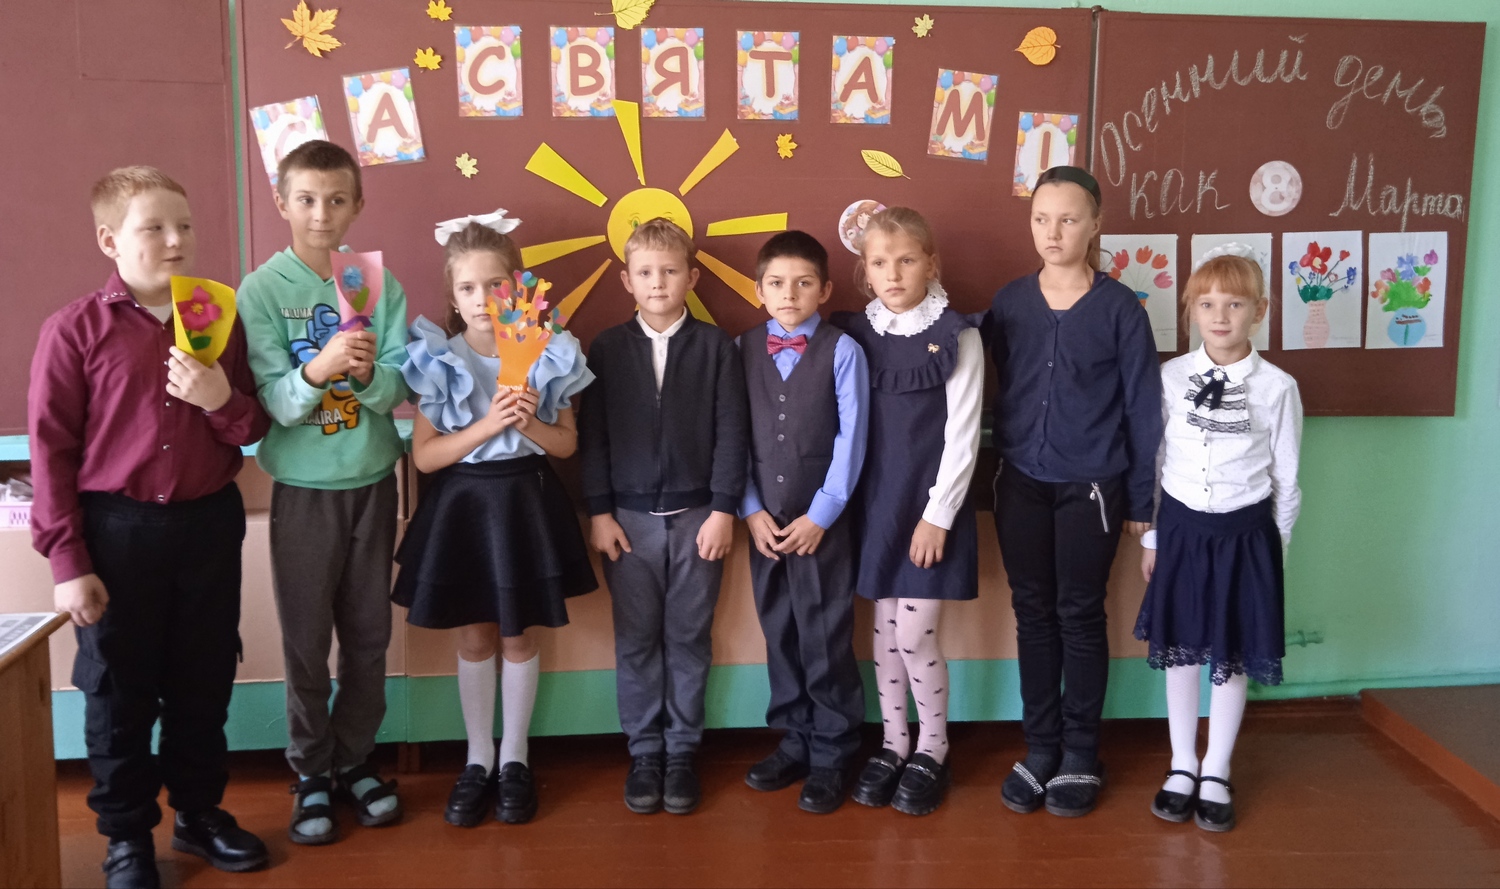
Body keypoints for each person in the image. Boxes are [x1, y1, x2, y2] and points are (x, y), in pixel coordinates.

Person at [30, 166, 271, 888]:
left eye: (185, 225)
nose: (176, 240)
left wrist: (221, 398)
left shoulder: (217, 315)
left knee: (203, 679)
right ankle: (127, 835)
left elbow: (250, 426)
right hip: (117, 533)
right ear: (110, 240)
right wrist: (69, 561)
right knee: (117, 689)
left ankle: (199, 813)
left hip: (207, 528)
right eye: (154, 227)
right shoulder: (75, 330)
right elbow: (51, 451)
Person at [395, 213, 597, 826]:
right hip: (464, 506)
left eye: (494, 285)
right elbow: (425, 456)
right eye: (468, 288)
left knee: (517, 635)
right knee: (475, 635)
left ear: (518, 288)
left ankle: (516, 758)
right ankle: (477, 758)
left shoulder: (547, 352)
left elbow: (566, 445)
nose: (483, 299)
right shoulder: (440, 358)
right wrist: (487, 425)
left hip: (525, 502)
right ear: (453, 297)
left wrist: (528, 422)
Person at [237, 140, 409, 843]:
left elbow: (397, 388)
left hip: (372, 482)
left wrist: (366, 373)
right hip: (303, 492)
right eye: (306, 199)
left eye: (337, 200)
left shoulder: (372, 282)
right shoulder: (260, 290)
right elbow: (272, 403)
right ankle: (311, 770)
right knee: (307, 640)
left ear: (357, 205)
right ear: (282, 202)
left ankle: (355, 759)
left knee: (369, 636)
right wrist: (320, 369)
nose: (321, 213)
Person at [988, 166, 1163, 818]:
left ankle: (1082, 751)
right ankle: (1041, 747)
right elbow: (993, 376)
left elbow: (1143, 410)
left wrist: (1141, 501)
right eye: (1041, 219)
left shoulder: (1120, 310)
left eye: (1068, 219)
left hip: (1093, 486)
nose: (1053, 232)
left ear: (1095, 225)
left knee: (1080, 613)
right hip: (1021, 483)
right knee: (1032, 612)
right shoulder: (1010, 303)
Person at [578, 218, 749, 816]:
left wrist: (724, 509)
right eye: (646, 272)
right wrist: (600, 512)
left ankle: (681, 751)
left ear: (691, 277)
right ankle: (645, 751)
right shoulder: (605, 348)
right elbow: (593, 439)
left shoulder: (716, 347)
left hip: (700, 517)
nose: (658, 282)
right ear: (627, 280)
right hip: (628, 522)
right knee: (636, 638)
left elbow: (732, 433)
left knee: (688, 637)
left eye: (670, 271)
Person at [1136, 250, 1302, 833]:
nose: (1220, 316)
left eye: (1234, 304)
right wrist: (1153, 537)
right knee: (1181, 653)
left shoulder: (1277, 388)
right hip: (1182, 532)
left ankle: (1217, 768)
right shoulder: (1171, 378)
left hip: (1245, 537)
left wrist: (1275, 554)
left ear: (1260, 311)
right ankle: (1182, 763)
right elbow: (1156, 463)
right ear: (1191, 311)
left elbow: (1286, 479)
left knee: (1230, 658)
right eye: (1207, 304)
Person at [835, 208, 983, 817]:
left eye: (906, 260)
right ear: (865, 272)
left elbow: (964, 433)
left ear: (931, 264)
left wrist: (938, 514)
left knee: (914, 632)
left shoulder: (958, 334)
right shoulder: (855, 335)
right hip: (877, 506)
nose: (893, 274)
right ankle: (894, 742)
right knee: (884, 631)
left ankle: (933, 746)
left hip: (929, 509)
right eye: (879, 263)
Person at [739, 231, 869, 814]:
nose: (789, 294)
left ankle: (834, 749)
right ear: (758, 289)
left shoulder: (843, 351)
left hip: (823, 525)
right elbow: (733, 436)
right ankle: (794, 738)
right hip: (763, 523)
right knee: (780, 631)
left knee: (825, 635)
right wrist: (749, 509)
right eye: (776, 283)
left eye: (803, 282)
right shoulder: (741, 349)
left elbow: (852, 438)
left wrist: (823, 513)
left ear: (826, 289)